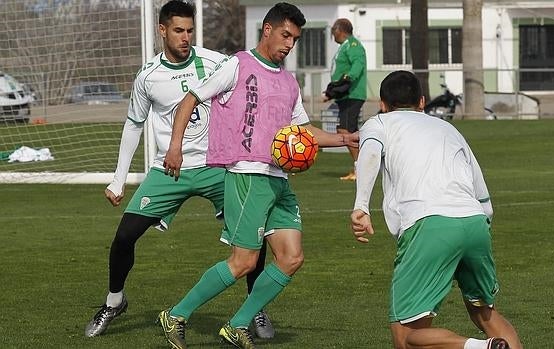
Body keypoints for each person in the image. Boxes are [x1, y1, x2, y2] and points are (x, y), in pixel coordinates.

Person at [157, 3, 358, 349]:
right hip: (248, 175)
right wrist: (174, 147)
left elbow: (304, 129)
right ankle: (176, 314)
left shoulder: (288, 81)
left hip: (279, 179)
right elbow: (190, 98)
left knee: (292, 258)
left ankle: (237, 324)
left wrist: (343, 138)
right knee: (244, 262)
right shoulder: (237, 65)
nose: (289, 45)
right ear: (267, 30)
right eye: (285, 36)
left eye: (295, 39)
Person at [84, 0, 274, 339]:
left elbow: (252, 80)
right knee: (125, 236)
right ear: (162, 30)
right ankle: (114, 301)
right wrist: (118, 179)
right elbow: (133, 125)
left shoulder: (216, 62)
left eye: (189, 30)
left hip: (217, 167)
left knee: (253, 236)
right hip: (167, 170)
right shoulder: (147, 76)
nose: (185, 37)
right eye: (178, 30)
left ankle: (254, 308)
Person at [350, 70, 522, 349]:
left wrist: (361, 206)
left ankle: (482, 347)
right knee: (484, 313)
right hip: (475, 222)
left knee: (406, 337)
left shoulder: (379, 123)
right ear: (421, 102)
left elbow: (369, 153)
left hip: (428, 224)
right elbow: (483, 198)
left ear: (382, 104)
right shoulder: (449, 128)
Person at [324, 18, 367, 181]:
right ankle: (363, 166)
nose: (332, 34)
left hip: (353, 95)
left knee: (345, 131)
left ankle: (360, 169)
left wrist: (347, 79)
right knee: (353, 133)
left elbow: (357, 64)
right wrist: (332, 91)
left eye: (333, 30)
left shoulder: (353, 45)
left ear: (340, 30)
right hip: (345, 96)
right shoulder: (344, 46)